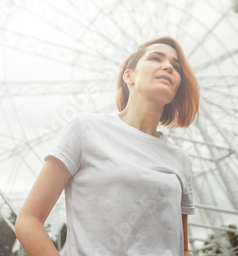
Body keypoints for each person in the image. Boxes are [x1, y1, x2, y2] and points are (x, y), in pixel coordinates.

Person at [15, 36, 200, 255]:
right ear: (129, 76)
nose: (168, 66)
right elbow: (28, 220)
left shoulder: (180, 161)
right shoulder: (85, 129)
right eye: (156, 58)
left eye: (176, 67)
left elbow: (181, 248)